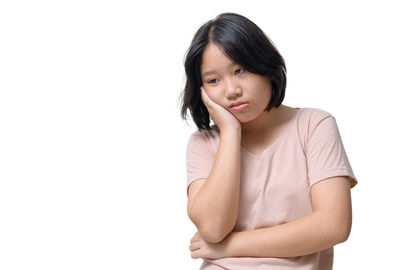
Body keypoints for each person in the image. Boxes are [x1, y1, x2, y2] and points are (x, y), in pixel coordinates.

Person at [179, 12, 358, 270]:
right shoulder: (203, 143)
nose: (231, 90)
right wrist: (230, 132)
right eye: (214, 80)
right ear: (202, 90)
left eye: (239, 70)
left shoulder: (313, 125)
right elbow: (213, 228)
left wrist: (229, 247)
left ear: (264, 65)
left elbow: (334, 225)